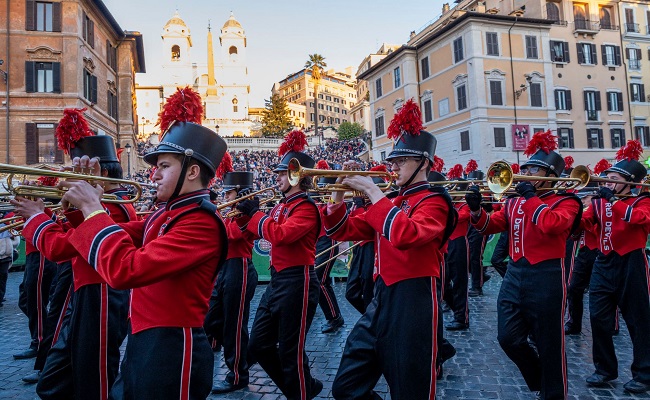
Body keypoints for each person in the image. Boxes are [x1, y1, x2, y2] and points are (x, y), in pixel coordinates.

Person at [29, 117, 227, 399]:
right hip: (144, 340)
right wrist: (80, 209)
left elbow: (126, 270)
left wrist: (93, 208)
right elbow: (114, 232)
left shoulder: (200, 222)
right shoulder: (167, 214)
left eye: (164, 166)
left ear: (193, 171)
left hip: (172, 347)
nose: (154, 175)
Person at [322, 99, 456, 398]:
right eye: (392, 160)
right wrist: (338, 191)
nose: (392, 166)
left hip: (414, 301)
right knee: (346, 387)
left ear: (424, 163)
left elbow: (405, 234)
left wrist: (372, 190)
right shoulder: (393, 202)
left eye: (401, 161)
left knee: (411, 389)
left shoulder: (435, 201)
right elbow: (341, 229)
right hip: (381, 298)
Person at [13, 129, 138, 397]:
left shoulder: (114, 206)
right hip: (87, 292)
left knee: (96, 381)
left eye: (77, 173)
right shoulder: (108, 202)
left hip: (101, 295)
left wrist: (37, 218)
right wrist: (49, 212)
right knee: (55, 382)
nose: (69, 179)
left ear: (99, 175)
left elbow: (61, 247)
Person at [466, 130, 581, 400]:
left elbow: (552, 224)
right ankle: (539, 377)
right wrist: (475, 210)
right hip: (516, 273)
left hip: (547, 275)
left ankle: (554, 393)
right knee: (508, 338)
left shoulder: (567, 202)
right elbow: (490, 226)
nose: (526, 172)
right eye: (527, 167)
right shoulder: (515, 202)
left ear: (550, 176)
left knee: (549, 342)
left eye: (534, 169)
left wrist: (531, 197)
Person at [235, 130, 323, 399]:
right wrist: (243, 213)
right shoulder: (281, 206)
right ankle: (303, 387)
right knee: (259, 345)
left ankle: (300, 392)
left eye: (283, 173)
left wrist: (255, 213)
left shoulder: (306, 207)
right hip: (278, 281)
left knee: (290, 351)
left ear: (299, 177)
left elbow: (280, 235)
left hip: (299, 280)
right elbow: (255, 231)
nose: (278, 178)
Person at [581, 140, 650, 394]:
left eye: (613, 178)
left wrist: (614, 202)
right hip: (604, 260)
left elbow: (639, 220)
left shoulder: (642, 201)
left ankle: (644, 373)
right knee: (598, 318)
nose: (607, 182)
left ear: (630, 182)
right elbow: (585, 222)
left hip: (631, 263)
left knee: (638, 321)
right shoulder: (600, 201)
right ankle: (604, 369)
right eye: (607, 177)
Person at [205, 166, 259, 394]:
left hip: (240, 267)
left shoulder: (247, 213)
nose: (225, 196)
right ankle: (242, 356)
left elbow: (232, 236)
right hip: (225, 269)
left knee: (235, 326)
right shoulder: (229, 213)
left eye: (229, 193)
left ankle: (238, 374)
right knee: (210, 321)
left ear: (240, 193)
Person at [313, 161, 344, 334]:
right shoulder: (316, 200)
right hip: (318, 242)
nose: (321, 190)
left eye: (324, 187)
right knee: (319, 281)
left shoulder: (330, 200)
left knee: (320, 281)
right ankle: (332, 316)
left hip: (328, 241)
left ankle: (335, 317)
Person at [0, 217, 20, 307]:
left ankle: (0, 298)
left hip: (6, 256)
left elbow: (16, 243)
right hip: (5, 254)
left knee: (3, 278)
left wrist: (13, 237)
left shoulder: (7, 226)